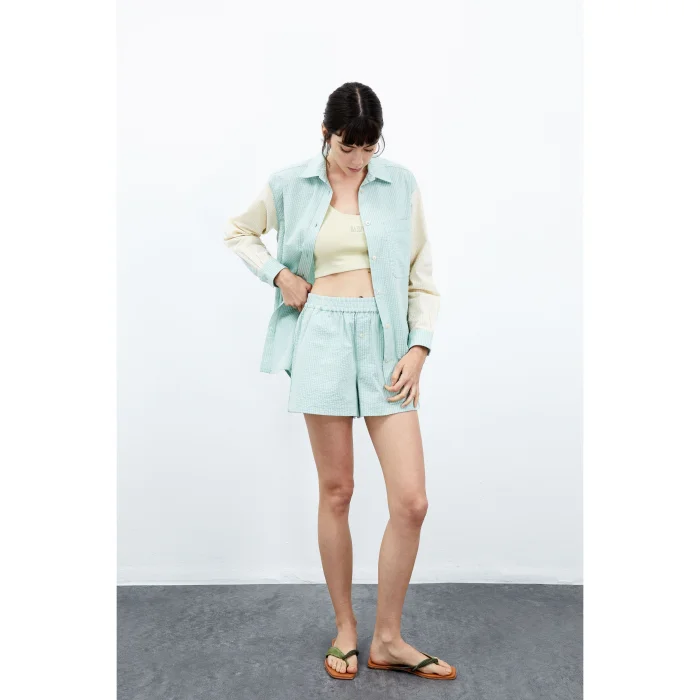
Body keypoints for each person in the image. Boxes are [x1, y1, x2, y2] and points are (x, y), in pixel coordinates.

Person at [224, 82, 455, 681]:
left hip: (387, 340)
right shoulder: (290, 184)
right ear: (325, 133)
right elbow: (239, 232)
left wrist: (419, 346)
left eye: (368, 148)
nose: (356, 159)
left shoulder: (400, 184)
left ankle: (389, 639)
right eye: (346, 146)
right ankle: (347, 629)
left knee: (412, 501)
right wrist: (280, 276)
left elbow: (421, 270)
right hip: (321, 333)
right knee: (338, 491)